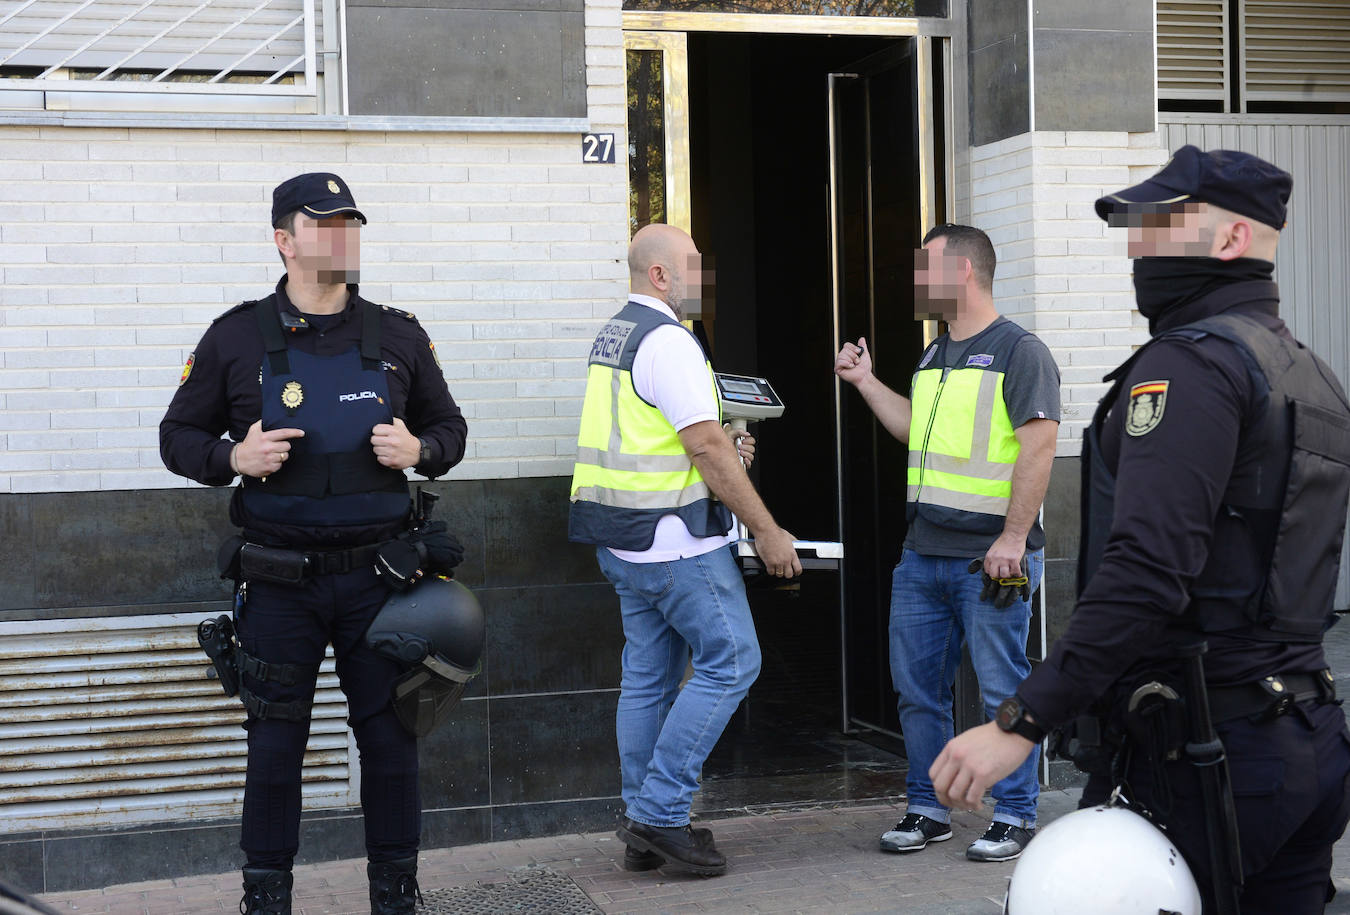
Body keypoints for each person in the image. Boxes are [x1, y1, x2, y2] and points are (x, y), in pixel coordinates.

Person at [929, 147, 1350, 912]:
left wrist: (1022, 720)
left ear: (1229, 242)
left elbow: (1149, 570)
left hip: (1202, 748)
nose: (1135, 245)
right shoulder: (1307, 372)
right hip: (1303, 735)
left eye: (1159, 223)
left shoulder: (1191, 367)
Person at [159, 173, 468, 915]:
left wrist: (418, 446)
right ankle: (266, 899)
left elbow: (452, 432)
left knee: (392, 746)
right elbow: (177, 437)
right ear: (283, 239)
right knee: (274, 749)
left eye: (351, 222)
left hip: (384, 584)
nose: (342, 235)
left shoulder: (396, 334)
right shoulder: (236, 336)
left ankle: (396, 896)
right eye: (323, 222)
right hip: (278, 586)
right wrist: (232, 459)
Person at [568, 223, 802, 876]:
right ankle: (662, 814)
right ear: (662, 275)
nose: (704, 277)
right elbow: (702, 448)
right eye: (695, 265)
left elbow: (671, 439)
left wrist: (727, 447)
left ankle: (640, 820)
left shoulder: (616, 333)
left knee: (646, 679)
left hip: (622, 542)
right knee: (733, 660)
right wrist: (766, 527)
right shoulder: (670, 342)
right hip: (674, 546)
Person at [834, 223, 1060, 862]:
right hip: (922, 555)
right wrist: (866, 382)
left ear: (963, 272)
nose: (914, 280)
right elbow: (915, 431)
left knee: (1001, 690)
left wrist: (1014, 538)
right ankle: (928, 807)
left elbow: (1040, 447)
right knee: (917, 691)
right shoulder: (934, 356)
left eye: (924, 267)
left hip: (990, 557)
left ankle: (1014, 814)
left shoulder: (1020, 352)